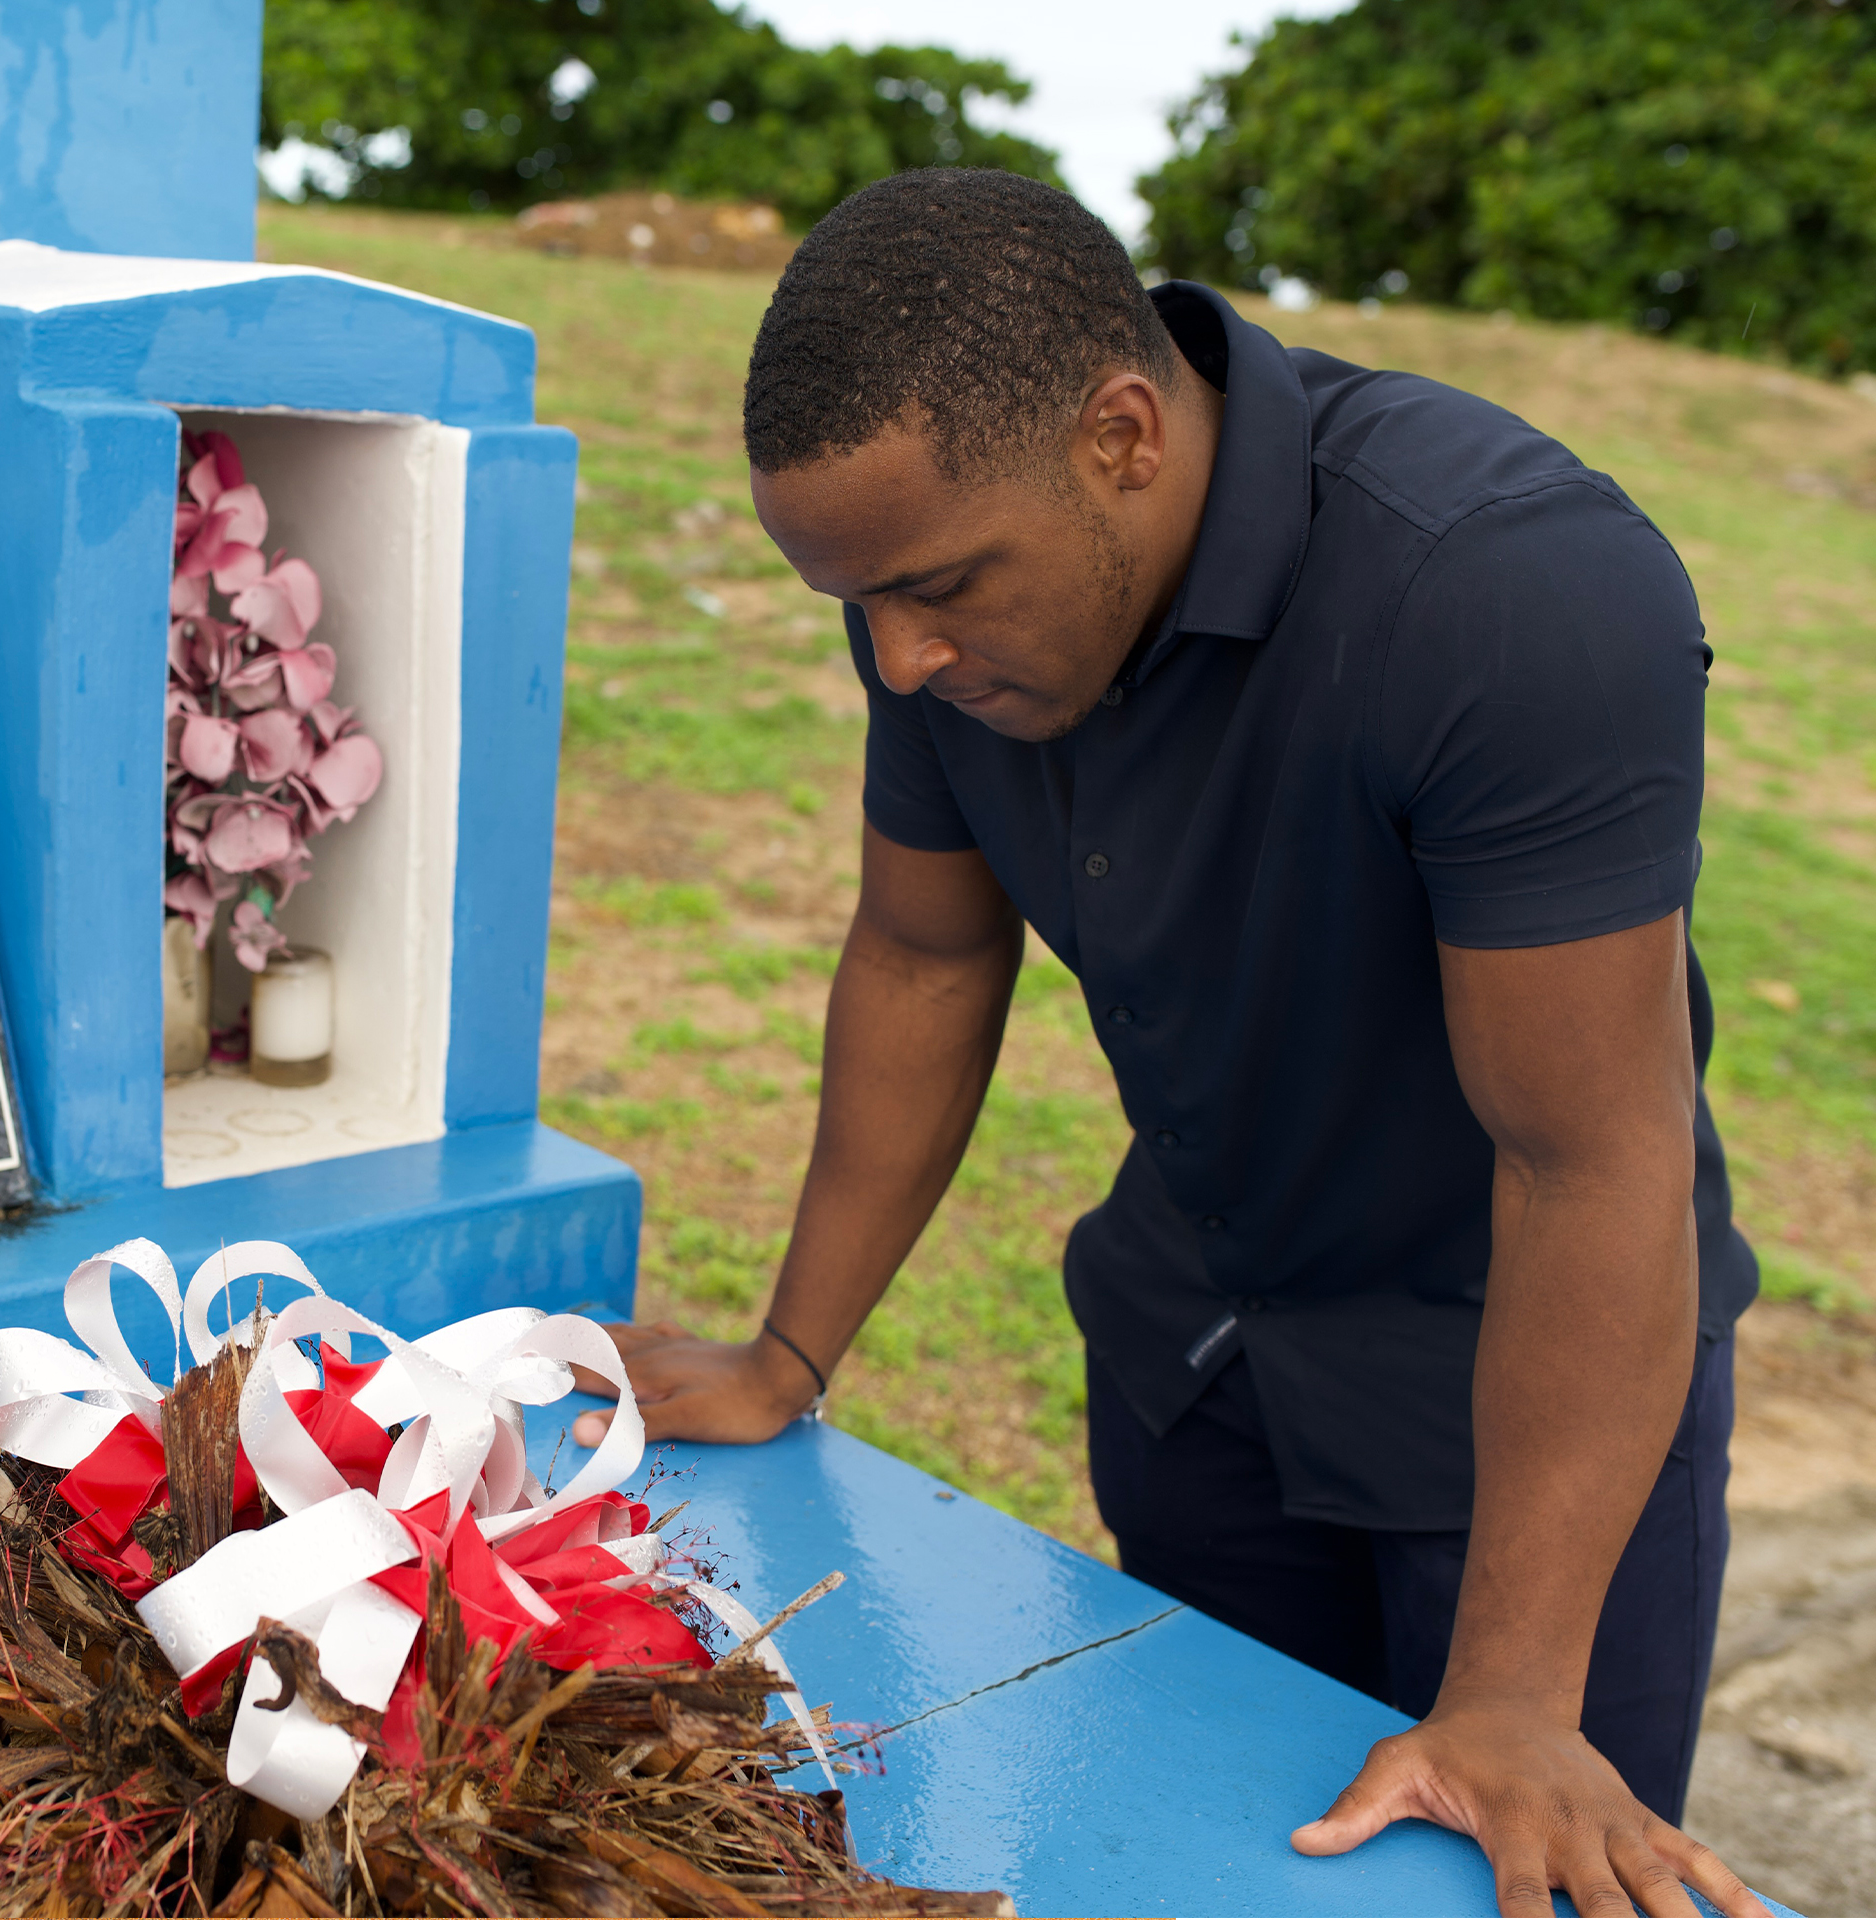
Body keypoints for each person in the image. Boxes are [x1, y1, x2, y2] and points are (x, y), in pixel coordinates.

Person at [573, 167, 1764, 1920]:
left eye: (941, 588)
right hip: (1196, 1377)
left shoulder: (1514, 593)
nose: (900, 659)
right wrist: (787, 1352)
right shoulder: (935, 587)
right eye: (862, 604)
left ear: (1124, 435)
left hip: (1523, 1428)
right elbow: (921, 950)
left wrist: (1512, 1692)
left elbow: (1590, 1157)